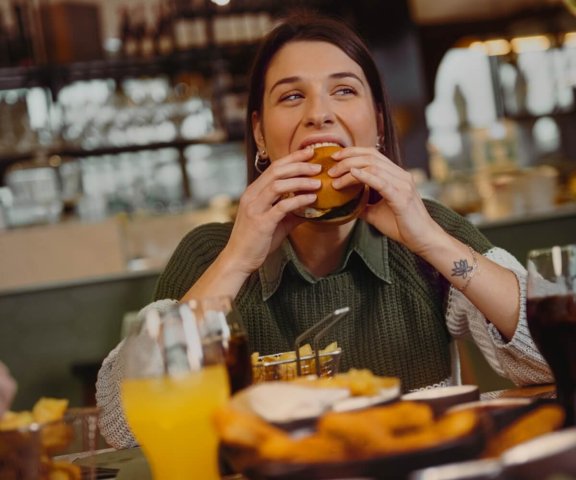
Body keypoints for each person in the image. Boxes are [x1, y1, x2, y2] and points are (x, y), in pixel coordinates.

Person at [96, 13, 552, 449]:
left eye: (344, 91)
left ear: (376, 122)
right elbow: (124, 423)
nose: (320, 114)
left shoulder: (426, 229)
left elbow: (552, 356)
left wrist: (429, 240)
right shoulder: (209, 252)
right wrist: (237, 259)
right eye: (292, 97)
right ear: (259, 133)